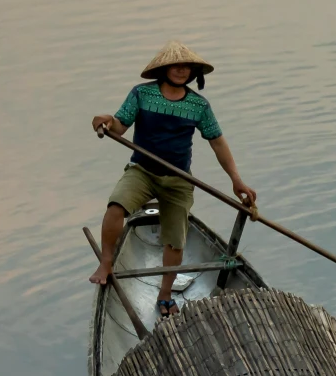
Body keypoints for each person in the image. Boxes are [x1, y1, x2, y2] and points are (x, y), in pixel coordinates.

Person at [89, 40, 257, 318]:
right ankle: (107, 262)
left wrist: (236, 180)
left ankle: (165, 294)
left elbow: (217, 142)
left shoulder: (198, 105)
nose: (180, 70)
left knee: (176, 239)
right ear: (164, 69)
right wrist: (105, 120)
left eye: (186, 67)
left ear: (193, 72)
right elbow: (119, 127)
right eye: (175, 66)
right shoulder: (142, 94)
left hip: (178, 179)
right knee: (115, 207)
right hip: (142, 172)